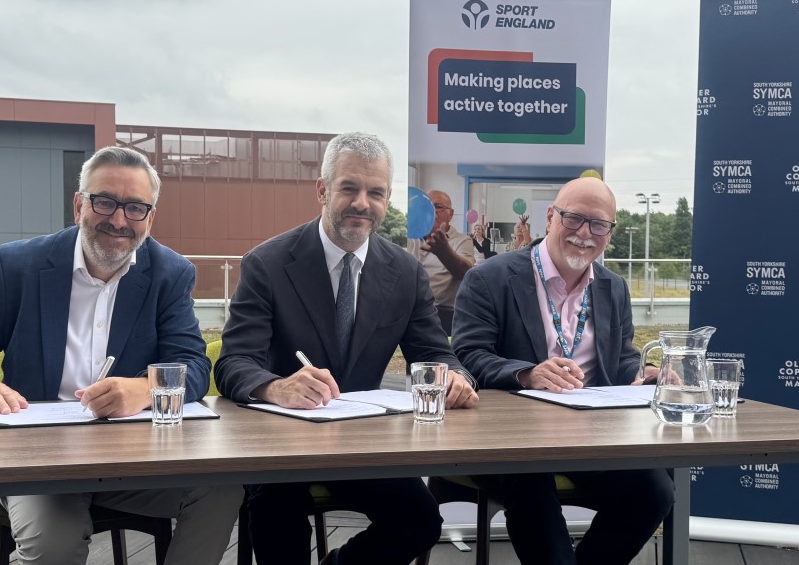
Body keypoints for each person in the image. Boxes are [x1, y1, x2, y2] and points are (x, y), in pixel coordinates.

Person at [0, 146, 242, 565]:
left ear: (150, 217)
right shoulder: (20, 265)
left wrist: (144, 388)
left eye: (135, 208)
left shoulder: (170, 274)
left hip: (136, 459)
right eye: (105, 201)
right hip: (39, 461)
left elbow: (195, 365)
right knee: (52, 547)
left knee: (220, 491)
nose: (118, 220)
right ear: (79, 204)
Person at [215, 132, 479, 565]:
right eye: (349, 188)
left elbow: (436, 353)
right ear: (322, 190)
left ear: (386, 199)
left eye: (375, 192)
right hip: (283, 445)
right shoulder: (267, 264)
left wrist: (454, 376)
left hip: (364, 443)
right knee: (276, 521)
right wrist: (274, 387)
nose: (362, 203)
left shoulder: (406, 274)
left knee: (420, 519)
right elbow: (233, 363)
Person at [452, 177, 673, 565]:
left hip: (593, 436)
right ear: (551, 217)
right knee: (531, 482)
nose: (585, 233)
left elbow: (620, 358)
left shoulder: (613, 288)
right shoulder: (488, 278)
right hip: (514, 438)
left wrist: (646, 372)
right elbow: (469, 355)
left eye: (599, 224)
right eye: (574, 219)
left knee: (655, 491)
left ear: (610, 232)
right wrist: (527, 374)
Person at [406, 189, 475, 334]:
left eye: (437, 207)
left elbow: (467, 273)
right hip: (409, 311)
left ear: (450, 214)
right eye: (426, 207)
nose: (431, 211)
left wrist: (444, 252)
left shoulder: (462, 240)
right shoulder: (410, 238)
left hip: (444, 315)